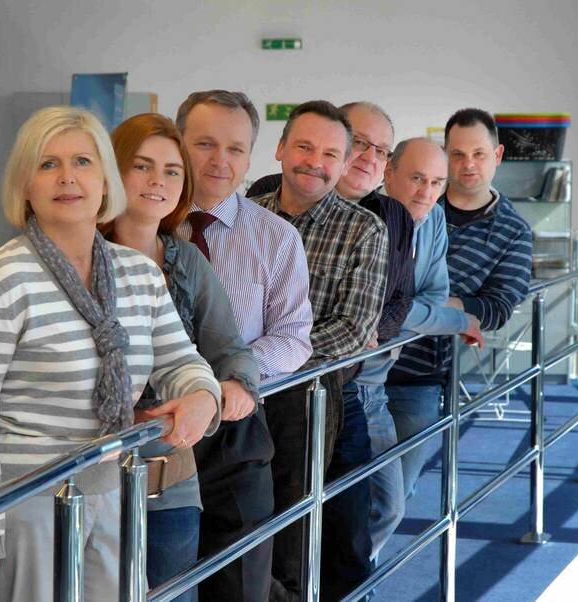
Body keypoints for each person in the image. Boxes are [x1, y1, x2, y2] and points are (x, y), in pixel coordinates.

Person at [0, 106, 222, 602]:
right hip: (28, 501)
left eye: (83, 162)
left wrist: (203, 395)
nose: (67, 177)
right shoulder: (0, 281)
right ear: (24, 186)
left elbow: (181, 361)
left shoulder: (140, 274)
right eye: (47, 164)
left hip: (116, 489)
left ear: (106, 180)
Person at [103, 112, 260, 602]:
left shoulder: (185, 259)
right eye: (142, 166)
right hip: (94, 477)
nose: (158, 181)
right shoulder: (81, 257)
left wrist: (232, 386)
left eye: (172, 171)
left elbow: (229, 349)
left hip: (171, 480)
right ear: (112, 171)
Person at [175, 90, 313, 602]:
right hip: (155, 425)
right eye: (205, 144)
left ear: (251, 157)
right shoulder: (140, 228)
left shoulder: (277, 238)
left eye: (235, 148)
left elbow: (293, 338)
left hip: (235, 426)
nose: (220, 160)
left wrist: (228, 376)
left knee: (240, 582)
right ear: (178, 144)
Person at [251, 100, 388, 602]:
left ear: (345, 162)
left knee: (300, 531)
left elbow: (353, 330)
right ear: (280, 148)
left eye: (330, 153)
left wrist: (265, 360)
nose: (315, 162)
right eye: (304, 147)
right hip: (236, 392)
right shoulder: (245, 215)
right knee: (239, 524)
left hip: (310, 397)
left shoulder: (364, 229)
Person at [387, 110, 532, 503]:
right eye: (457, 154)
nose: (468, 164)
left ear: (497, 155)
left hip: (420, 373)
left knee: (394, 493)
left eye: (479, 154)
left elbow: (498, 307)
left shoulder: (514, 231)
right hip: (360, 367)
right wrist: (442, 311)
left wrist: (426, 307)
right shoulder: (411, 203)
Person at [352, 137, 484, 557]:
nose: (427, 192)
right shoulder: (365, 218)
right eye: (416, 178)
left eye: (437, 182)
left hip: (381, 378)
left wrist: (408, 312)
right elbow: (381, 310)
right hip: (348, 379)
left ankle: (352, 579)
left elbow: (428, 298)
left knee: (389, 503)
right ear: (388, 172)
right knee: (364, 502)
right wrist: (457, 321)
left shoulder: (434, 219)